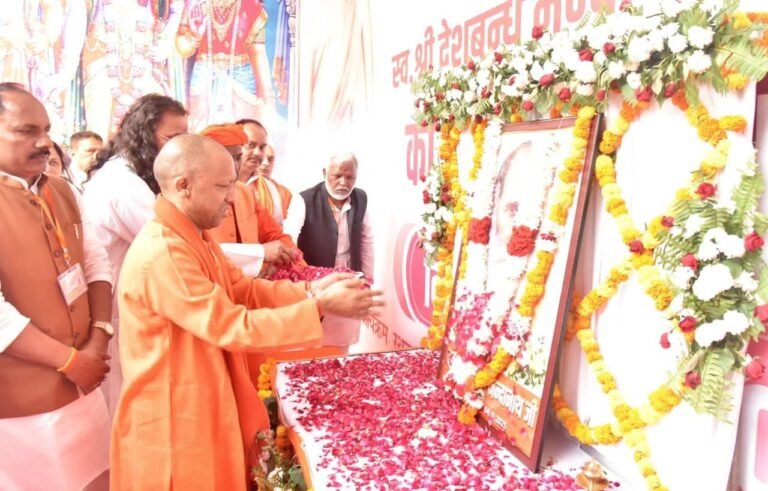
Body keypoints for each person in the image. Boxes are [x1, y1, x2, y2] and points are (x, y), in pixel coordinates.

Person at [110, 134, 382, 490]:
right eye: (224, 186)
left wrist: (312, 289)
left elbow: (244, 291)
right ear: (183, 186)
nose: (233, 197)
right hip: (174, 421)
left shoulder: (196, 237)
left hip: (204, 401)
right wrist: (319, 307)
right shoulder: (164, 252)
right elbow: (231, 326)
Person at [0, 83, 113, 490]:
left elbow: (96, 264)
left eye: (46, 130)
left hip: (84, 382)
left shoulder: (62, 190)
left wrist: (98, 339)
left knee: (98, 477)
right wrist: (70, 362)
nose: (44, 142)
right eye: (26, 131)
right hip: (22, 405)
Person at [82, 93, 188, 414]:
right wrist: (258, 255)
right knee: (119, 403)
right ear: (144, 134)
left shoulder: (130, 176)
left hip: (122, 305)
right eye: (172, 138)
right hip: (113, 308)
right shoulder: (122, 183)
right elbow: (176, 244)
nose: (180, 148)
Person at [290, 152, 374, 350]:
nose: (343, 183)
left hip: (349, 279)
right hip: (315, 282)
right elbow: (289, 239)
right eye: (337, 176)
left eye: (350, 177)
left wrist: (368, 279)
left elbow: (367, 240)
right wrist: (299, 279)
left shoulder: (361, 198)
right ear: (324, 173)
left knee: (342, 343)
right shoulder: (304, 200)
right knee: (312, 341)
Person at [200, 123, 301, 275]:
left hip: (251, 283)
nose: (234, 164)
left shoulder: (246, 192)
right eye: (251, 145)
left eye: (237, 157)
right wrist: (261, 253)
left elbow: (274, 234)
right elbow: (200, 251)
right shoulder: (197, 196)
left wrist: (297, 265)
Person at [175, 0, 277, 130]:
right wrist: (195, 36)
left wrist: (268, 97)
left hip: (241, 77)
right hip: (204, 76)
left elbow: (258, 53)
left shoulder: (252, 6)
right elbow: (182, 51)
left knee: (242, 134)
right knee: (201, 132)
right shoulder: (194, 5)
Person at [237, 118, 294, 225]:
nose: (258, 153)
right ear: (234, 145)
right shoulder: (216, 183)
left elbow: (275, 228)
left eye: (262, 147)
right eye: (251, 145)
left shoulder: (270, 189)